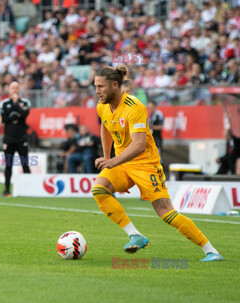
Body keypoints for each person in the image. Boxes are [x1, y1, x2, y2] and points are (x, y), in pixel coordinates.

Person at [92, 65, 223, 262]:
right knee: (99, 190)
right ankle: (135, 234)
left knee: (166, 213)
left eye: (101, 86)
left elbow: (138, 145)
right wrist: (106, 156)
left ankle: (211, 251)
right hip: (122, 164)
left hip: (146, 165)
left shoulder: (134, 107)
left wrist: (112, 161)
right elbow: (105, 126)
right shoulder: (102, 106)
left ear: (115, 85)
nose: (97, 91)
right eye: (95, 86)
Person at [0, 81, 31, 197]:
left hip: (21, 138)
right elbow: (4, 118)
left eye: (17, 88)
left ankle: (29, 189)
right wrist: (15, 113)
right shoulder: (4, 103)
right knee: (8, 164)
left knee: (25, 163)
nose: (15, 90)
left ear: (20, 89)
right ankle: (7, 189)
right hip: (8, 138)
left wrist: (16, 104)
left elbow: (24, 115)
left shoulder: (25, 102)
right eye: (13, 88)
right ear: (9, 89)